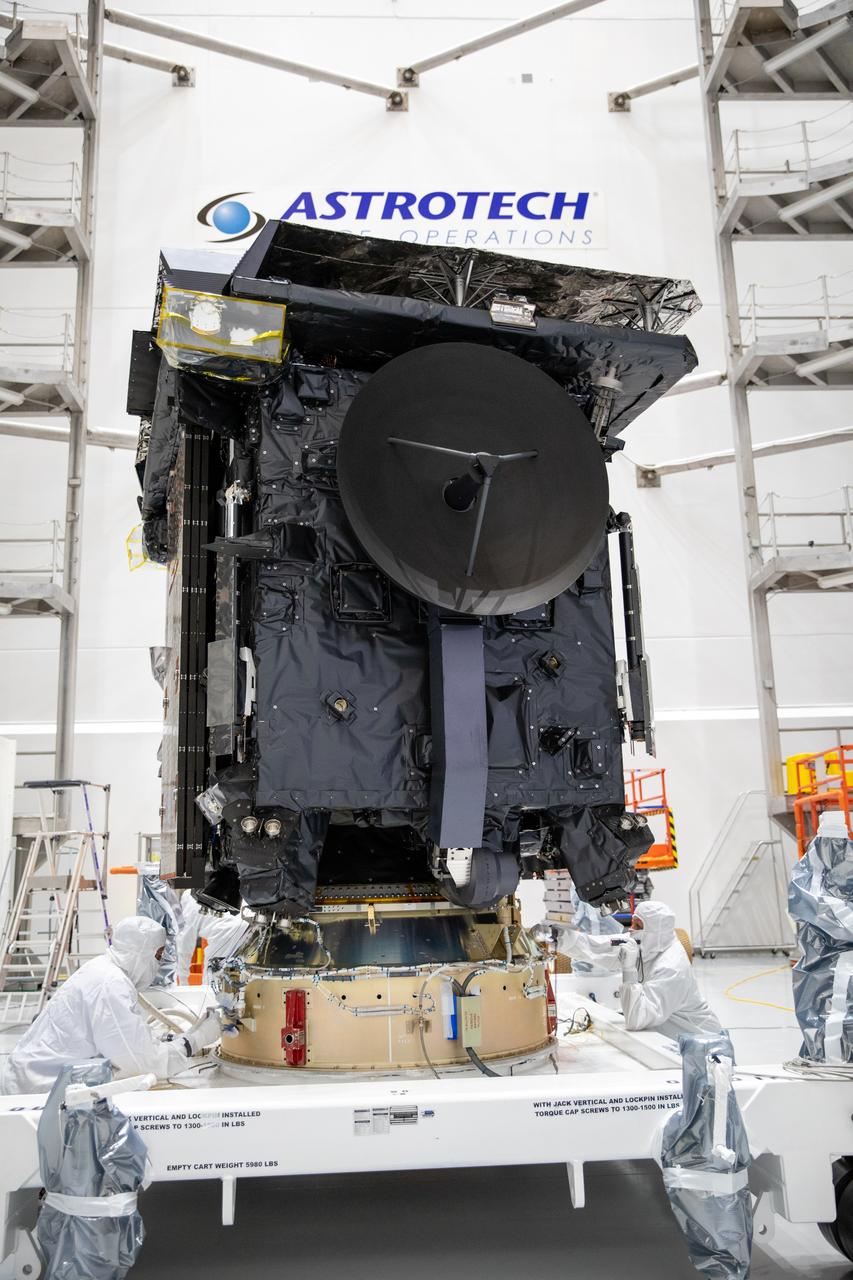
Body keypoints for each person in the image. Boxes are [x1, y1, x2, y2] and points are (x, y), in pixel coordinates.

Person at [0, 915, 222, 1095]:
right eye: (157, 955)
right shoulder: (111, 985)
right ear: (140, 952)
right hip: (35, 1091)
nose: (158, 963)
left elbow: (127, 1041)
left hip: (33, 1078)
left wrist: (178, 1038)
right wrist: (196, 1039)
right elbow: (143, 1064)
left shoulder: (105, 970)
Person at [560, 899, 723, 1040]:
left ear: (655, 931)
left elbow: (637, 1019)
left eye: (637, 925)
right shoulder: (645, 942)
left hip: (703, 1045)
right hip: (672, 1038)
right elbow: (598, 945)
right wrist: (560, 939)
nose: (631, 929)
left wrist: (629, 969)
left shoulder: (672, 967)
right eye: (632, 923)